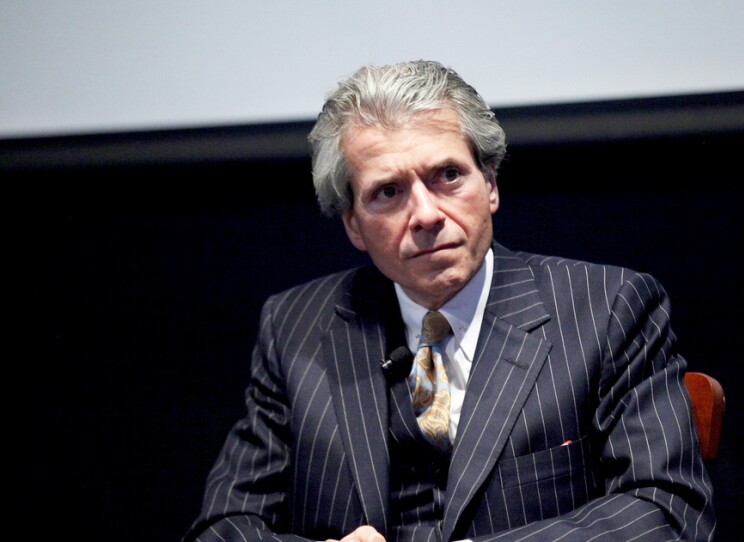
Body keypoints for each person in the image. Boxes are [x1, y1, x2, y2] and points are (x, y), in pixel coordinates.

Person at [183, 59, 715, 542]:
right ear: (353, 225)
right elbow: (222, 527)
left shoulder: (609, 308)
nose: (426, 215)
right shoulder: (294, 328)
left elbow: (666, 509)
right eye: (388, 192)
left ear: (490, 184)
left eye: (448, 177)